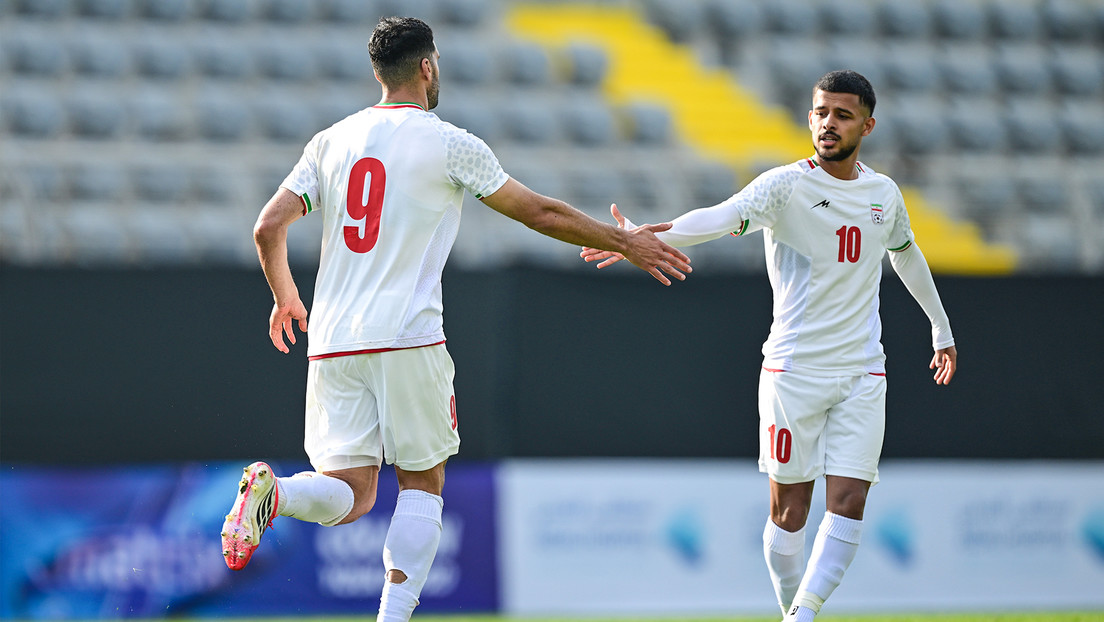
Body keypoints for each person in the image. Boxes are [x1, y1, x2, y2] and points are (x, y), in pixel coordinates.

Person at [219, 15, 691, 622]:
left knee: (353, 493)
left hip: (334, 343)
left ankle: (275, 493)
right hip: (409, 338)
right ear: (427, 67)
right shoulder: (448, 142)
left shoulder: (330, 141)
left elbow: (267, 226)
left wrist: (286, 296)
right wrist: (623, 242)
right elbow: (539, 212)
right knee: (422, 484)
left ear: (376, 72)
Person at [582, 70, 956, 622]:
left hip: (862, 372)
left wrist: (941, 329)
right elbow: (722, 217)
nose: (828, 123)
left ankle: (804, 613)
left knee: (850, 500)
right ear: (810, 117)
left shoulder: (884, 194)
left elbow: (904, 252)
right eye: (820, 112)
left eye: (843, 115)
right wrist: (645, 236)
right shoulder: (785, 186)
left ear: (867, 125)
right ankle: (789, 608)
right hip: (792, 371)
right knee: (789, 512)